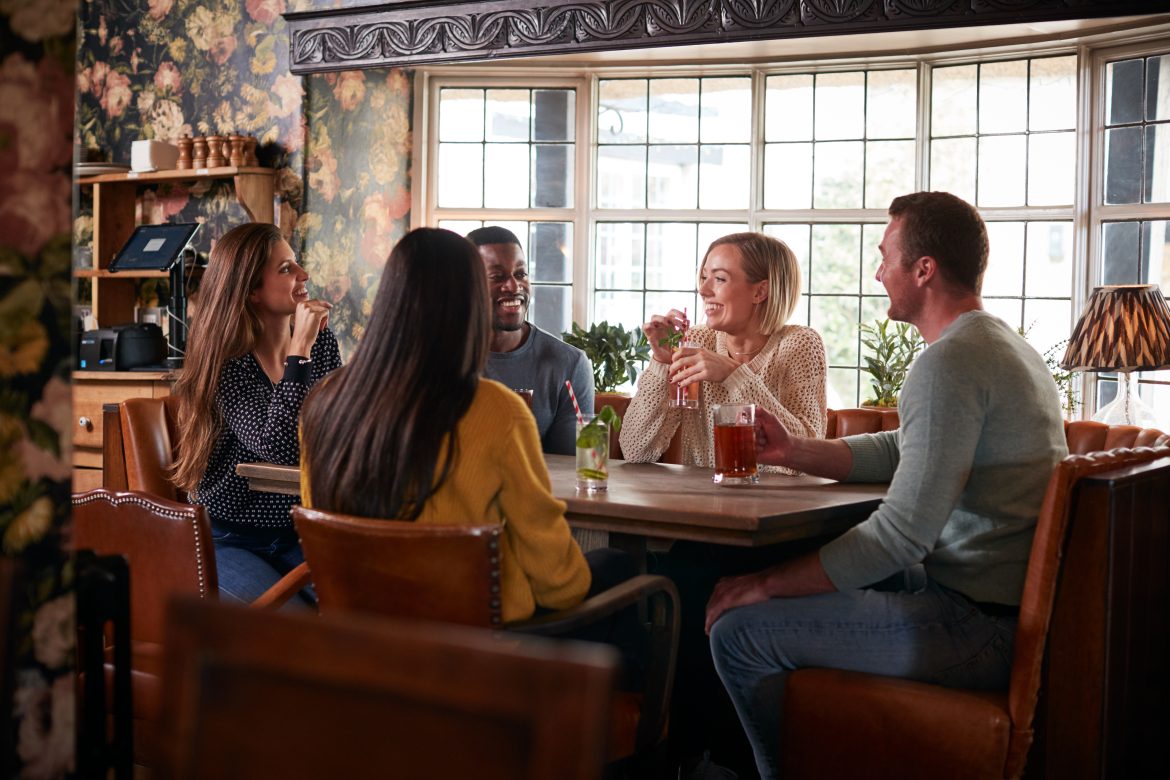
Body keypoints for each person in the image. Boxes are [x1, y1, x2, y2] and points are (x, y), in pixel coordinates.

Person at [705, 192, 1069, 780]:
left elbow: (900, 537)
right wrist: (795, 450)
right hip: (994, 608)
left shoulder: (948, 362)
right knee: (799, 581)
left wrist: (765, 585)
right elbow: (907, 450)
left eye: (885, 257)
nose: (877, 272)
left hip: (976, 627)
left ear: (923, 270)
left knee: (738, 632)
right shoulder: (1003, 348)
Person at [299, 227, 621, 624]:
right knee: (619, 568)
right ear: (468, 304)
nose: (510, 288)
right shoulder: (498, 410)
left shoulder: (322, 402)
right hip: (474, 647)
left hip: (362, 639)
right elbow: (559, 582)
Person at [172, 223, 341, 606]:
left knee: (360, 616)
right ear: (251, 291)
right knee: (296, 630)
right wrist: (299, 353)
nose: (304, 275)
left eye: (297, 264)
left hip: (303, 530)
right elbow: (279, 446)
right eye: (286, 269)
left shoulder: (323, 344)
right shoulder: (228, 365)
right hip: (232, 536)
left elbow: (336, 427)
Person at [619, 232, 827, 470]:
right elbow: (635, 450)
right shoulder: (696, 342)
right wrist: (661, 363)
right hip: (704, 503)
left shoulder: (799, 344)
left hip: (781, 505)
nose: (703, 290)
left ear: (760, 292)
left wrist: (733, 374)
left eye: (719, 278)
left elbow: (808, 454)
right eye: (704, 277)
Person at [466, 226, 593, 457]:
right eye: (497, 276)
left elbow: (568, 468)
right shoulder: (439, 358)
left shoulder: (569, 365)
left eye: (521, 274)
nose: (514, 287)